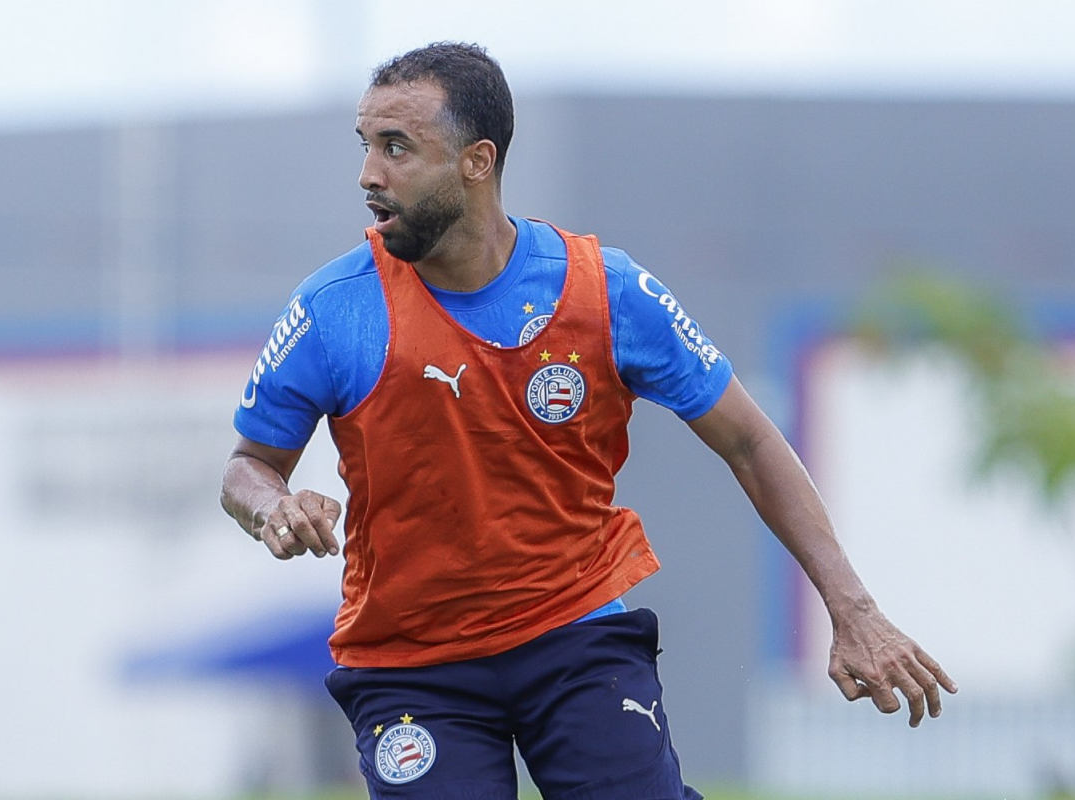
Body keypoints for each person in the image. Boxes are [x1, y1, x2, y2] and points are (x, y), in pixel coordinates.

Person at [221, 41, 955, 800]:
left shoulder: (604, 291)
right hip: (412, 663)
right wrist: (273, 504)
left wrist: (852, 607)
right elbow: (247, 466)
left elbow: (749, 438)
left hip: (573, 635)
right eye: (367, 146)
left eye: (397, 148)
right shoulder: (332, 306)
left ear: (477, 161)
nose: (369, 175)